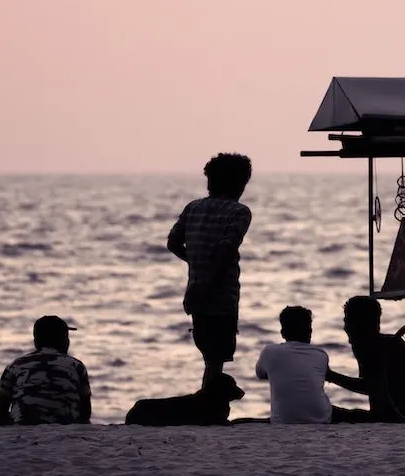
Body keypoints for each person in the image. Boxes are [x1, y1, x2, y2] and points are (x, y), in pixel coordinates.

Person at [168, 153, 253, 392]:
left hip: (195, 293)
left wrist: (196, 263)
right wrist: (210, 280)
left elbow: (173, 243)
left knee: (209, 356)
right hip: (222, 295)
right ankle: (208, 405)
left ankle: (206, 402)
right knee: (217, 359)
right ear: (240, 183)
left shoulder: (193, 208)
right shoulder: (239, 212)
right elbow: (226, 249)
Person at [325, 296, 405, 423]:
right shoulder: (378, 343)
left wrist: (332, 376)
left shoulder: (376, 347)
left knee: (333, 414)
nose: (345, 328)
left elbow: (371, 386)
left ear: (361, 324)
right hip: (400, 416)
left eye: (348, 322)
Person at [0, 316, 92, 426]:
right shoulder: (77, 366)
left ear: (36, 342)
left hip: (23, 424)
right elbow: (85, 413)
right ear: (64, 342)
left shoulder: (16, 365)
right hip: (67, 423)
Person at [254, 306, 335, 424]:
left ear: (282, 333)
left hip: (283, 421)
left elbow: (260, 375)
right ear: (310, 331)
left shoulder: (269, 351)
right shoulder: (321, 354)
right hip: (322, 419)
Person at [124, 373, 246, 426]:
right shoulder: (209, 408)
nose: (239, 391)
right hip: (142, 414)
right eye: (232, 386)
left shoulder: (205, 402)